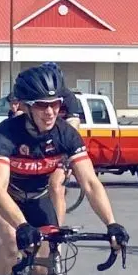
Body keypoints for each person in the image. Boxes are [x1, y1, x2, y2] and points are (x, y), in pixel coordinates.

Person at [0, 64, 128, 275]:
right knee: (10, 238)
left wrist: (111, 224)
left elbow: (90, 183)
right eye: (42, 105)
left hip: (36, 197)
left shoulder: (65, 134)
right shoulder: (4, 134)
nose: (50, 112)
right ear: (26, 106)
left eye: (56, 104)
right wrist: (22, 226)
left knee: (46, 262)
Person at [37, 62, 86, 224]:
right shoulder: (37, 95)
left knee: (56, 185)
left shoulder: (68, 97)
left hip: (62, 149)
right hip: (39, 148)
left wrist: (67, 154)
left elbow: (73, 125)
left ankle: (55, 234)